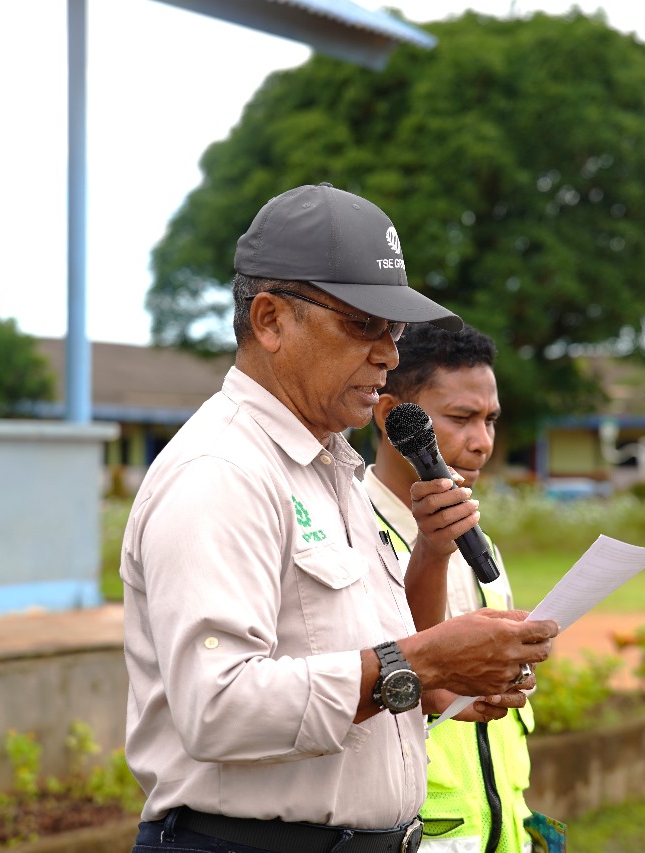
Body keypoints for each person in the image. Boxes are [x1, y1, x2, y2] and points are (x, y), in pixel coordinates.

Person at [120, 182, 558, 853]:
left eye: (396, 328)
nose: (387, 351)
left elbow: (355, 656)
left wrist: (441, 678)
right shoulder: (222, 472)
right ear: (270, 320)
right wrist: (419, 661)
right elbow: (217, 706)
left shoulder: (331, 469)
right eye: (363, 324)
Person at [366, 323, 552, 853]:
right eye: (460, 418)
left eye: (490, 419)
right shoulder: (349, 533)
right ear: (391, 417)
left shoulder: (482, 544)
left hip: (503, 831)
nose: (483, 442)